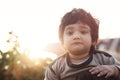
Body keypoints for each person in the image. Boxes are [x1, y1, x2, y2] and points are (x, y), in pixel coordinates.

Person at [44, 8, 120, 80]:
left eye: (83, 32)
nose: (76, 36)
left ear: (93, 39)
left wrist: (115, 70)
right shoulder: (55, 67)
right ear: (62, 41)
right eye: (70, 33)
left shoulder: (104, 58)